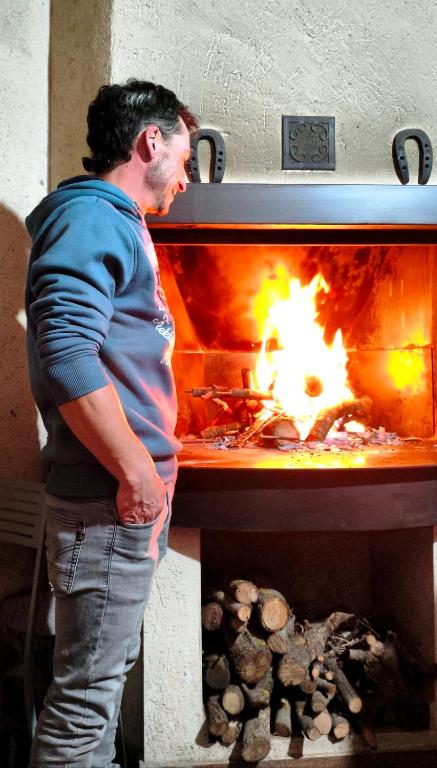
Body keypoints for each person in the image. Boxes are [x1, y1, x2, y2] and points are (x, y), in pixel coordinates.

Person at [25, 80, 197, 767]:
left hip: (120, 496)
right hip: (109, 499)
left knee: (101, 681)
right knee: (84, 705)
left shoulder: (115, 222)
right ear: (148, 141)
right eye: (182, 159)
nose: (184, 178)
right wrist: (135, 472)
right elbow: (66, 350)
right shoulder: (93, 217)